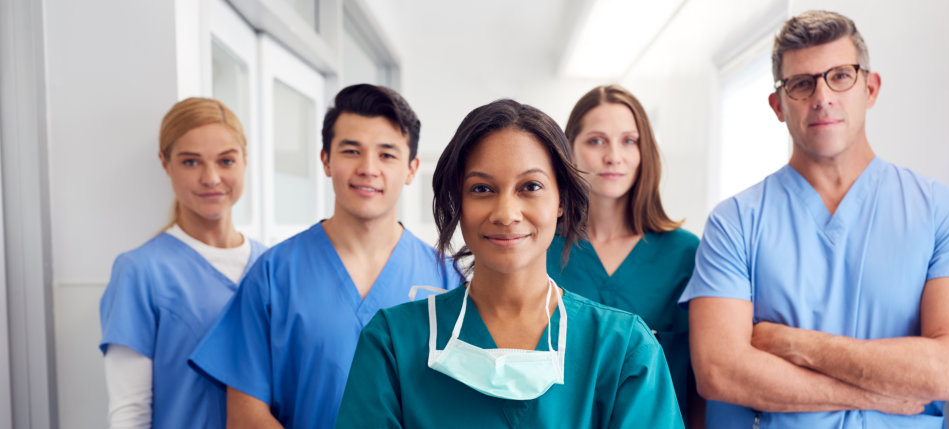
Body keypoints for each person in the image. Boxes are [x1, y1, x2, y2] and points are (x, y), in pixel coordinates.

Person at [680, 10, 949, 428]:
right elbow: (719, 371)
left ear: (870, 88)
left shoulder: (945, 212)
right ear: (777, 105)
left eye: (840, 75)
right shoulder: (734, 223)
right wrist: (879, 392)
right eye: (801, 84)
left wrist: (793, 345)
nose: (822, 97)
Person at [335, 99, 684, 428]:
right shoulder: (392, 343)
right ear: (458, 202)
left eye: (530, 186)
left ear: (561, 201)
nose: (505, 214)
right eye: (482, 189)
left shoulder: (622, 348)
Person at [189, 84, 463, 429]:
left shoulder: (448, 280)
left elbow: (460, 407)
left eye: (387, 154)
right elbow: (245, 415)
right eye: (351, 151)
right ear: (326, 160)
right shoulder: (274, 274)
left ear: (411, 168)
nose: (368, 168)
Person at [99, 97, 268, 428]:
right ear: (165, 163)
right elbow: (129, 412)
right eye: (191, 162)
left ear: (245, 160)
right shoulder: (140, 272)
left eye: (226, 161)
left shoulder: (271, 265)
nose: (211, 178)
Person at [548, 85, 702, 427]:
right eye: (596, 140)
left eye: (628, 141)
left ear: (645, 151)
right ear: (569, 151)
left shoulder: (686, 255)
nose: (613, 156)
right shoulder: (540, 252)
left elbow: (700, 382)